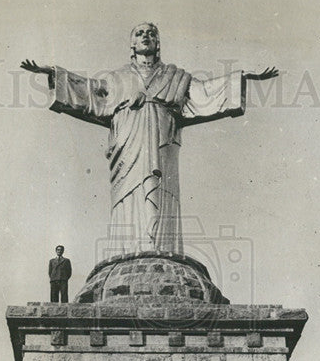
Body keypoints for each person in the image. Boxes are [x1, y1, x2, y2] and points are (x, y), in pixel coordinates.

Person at [21, 24, 277, 254]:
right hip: (128, 143)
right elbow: (89, 92)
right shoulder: (115, 78)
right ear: (132, 44)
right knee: (129, 194)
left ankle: (162, 250)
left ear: (158, 43)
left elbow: (204, 93)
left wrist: (241, 77)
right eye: (140, 33)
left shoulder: (176, 77)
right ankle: (127, 251)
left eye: (151, 33)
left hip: (163, 140)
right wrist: (53, 73)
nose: (146, 36)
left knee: (160, 189)